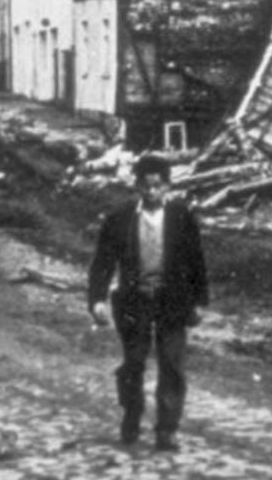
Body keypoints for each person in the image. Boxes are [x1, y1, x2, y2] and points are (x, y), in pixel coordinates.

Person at [88, 154, 208, 451]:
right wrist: (97, 299)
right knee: (134, 362)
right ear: (137, 186)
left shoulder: (182, 216)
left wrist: (199, 302)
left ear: (167, 186)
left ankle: (167, 429)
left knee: (171, 364)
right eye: (146, 186)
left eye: (158, 186)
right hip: (134, 300)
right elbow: (103, 260)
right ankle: (131, 413)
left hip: (172, 301)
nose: (152, 192)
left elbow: (196, 262)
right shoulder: (121, 217)